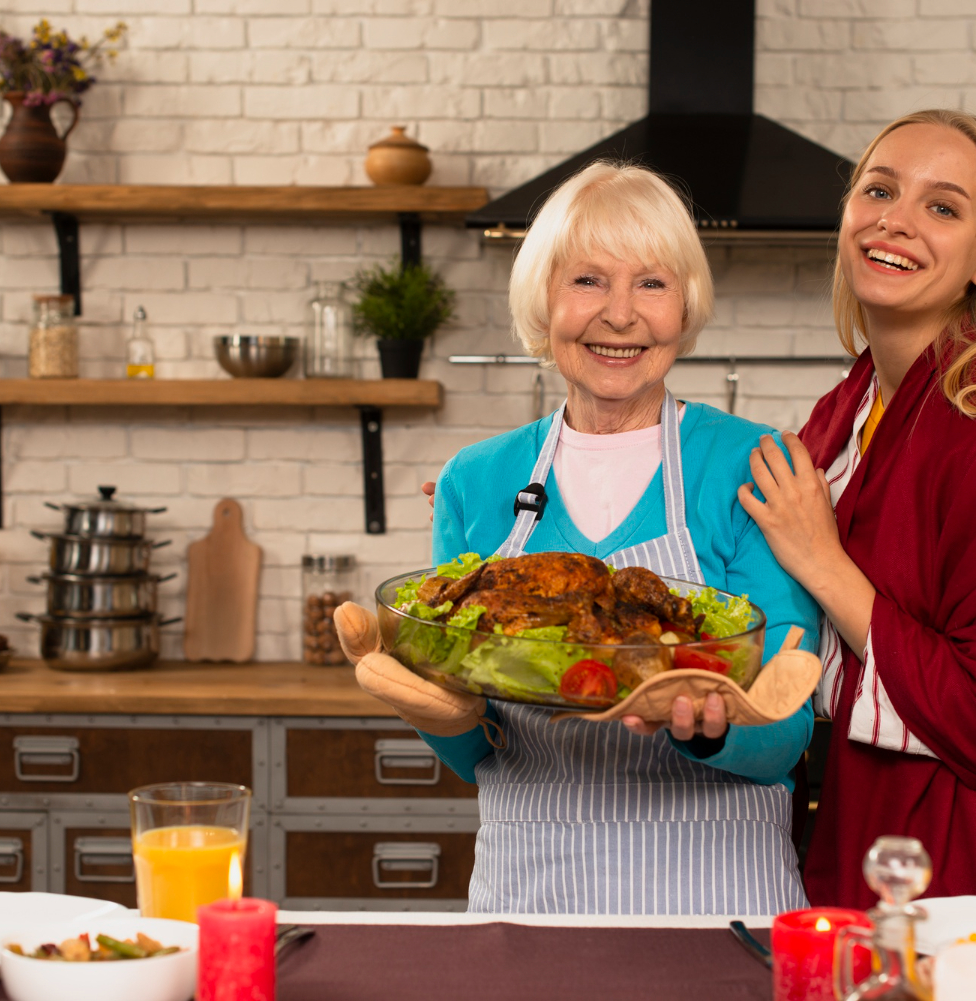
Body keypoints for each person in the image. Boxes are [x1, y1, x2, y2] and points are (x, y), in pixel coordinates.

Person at [337, 161, 821, 914]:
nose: (620, 315)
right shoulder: (476, 480)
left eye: (652, 283)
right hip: (530, 890)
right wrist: (436, 712)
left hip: (717, 893)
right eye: (588, 280)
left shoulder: (755, 466)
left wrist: (709, 728)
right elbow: (477, 753)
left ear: (685, 303)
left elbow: (788, 726)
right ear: (544, 299)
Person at [737, 110, 976, 907]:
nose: (894, 220)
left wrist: (828, 566)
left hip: (971, 862)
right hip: (854, 837)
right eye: (879, 190)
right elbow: (759, 580)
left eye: (943, 206)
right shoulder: (846, 409)